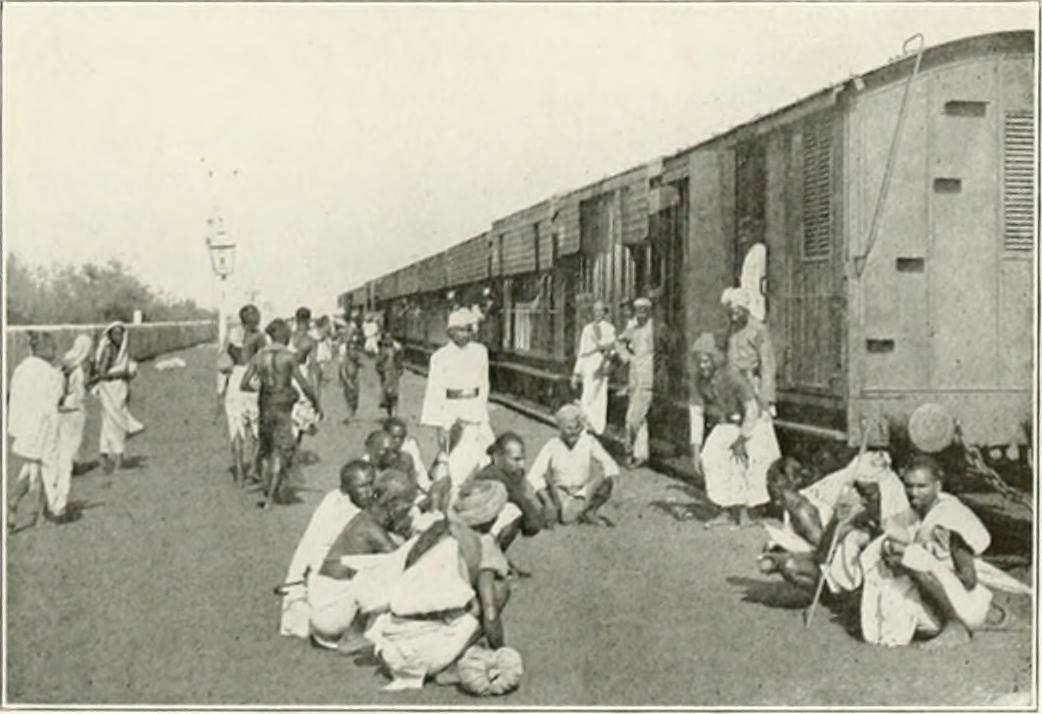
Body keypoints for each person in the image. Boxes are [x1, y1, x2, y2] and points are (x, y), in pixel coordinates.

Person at [863, 456, 1029, 649]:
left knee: (912, 557)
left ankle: (956, 627)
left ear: (938, 486)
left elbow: (969, 579)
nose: (913, 493)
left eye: (921, 486)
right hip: (941, 599)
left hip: (962, 602)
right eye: (908, 486)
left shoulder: (949, 516)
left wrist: (921, 563)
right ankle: (985, 620)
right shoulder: (915, 513)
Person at [365, 479, 512, 691]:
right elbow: (490, 614)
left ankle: (432, 656)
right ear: (492, 516)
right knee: (497, 590)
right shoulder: (482, 544)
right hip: (420, 655)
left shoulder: (436, 529)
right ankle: (449, 666)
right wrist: (501, 654)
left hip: (390, 649)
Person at [309, 469, 419, 650]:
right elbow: (404, 562)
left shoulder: (365, 518)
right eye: (405, 507)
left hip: (323, 612)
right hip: (331, 617)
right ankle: (356, 634)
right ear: (391, 504)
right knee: (398, 573)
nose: (408, 512)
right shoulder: (370, 529)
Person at [688, 332, 780, 529]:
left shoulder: (732, 375)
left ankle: (745, 515)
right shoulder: (698, 380)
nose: (703, 366)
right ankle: (724, 510)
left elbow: (752, 409)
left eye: (706, 361)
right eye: (699, 362)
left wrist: (741, 440)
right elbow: (696, 413)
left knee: (742, 462)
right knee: (710, 457)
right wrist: (695, 450)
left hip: (754, 422)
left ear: (714, 359)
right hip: (729, 422)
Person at [279, 460, 377, 638]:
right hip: (331, 590)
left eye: (371, 483)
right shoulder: (341, 509)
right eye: (362, 486)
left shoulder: (340, 500)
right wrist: (293, 587)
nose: (369, 491)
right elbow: (307, 545)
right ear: (346, 489)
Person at [241, 318, 322, 509]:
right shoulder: (288, 357)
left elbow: (244, 384)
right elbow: (303, 384)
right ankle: (271, 497)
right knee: (281, 449)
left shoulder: (259, 356)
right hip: (283, 407)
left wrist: (261, 389)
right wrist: (316, 403)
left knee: (267, 445)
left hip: (265, 405)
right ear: (283, 336)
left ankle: (263, 478)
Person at [420, 308, 494, 496]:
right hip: (452, 411)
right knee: (454, 457)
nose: (466, 334)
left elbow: (484, 384)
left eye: (469, 329)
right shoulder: (440, 357)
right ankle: (453, 494)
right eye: (461, 330)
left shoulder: (480, 352)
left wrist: (482, 410)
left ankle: (476, 494)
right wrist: (440, 425)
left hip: (475, 410)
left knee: (483, 454)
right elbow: (434, 392)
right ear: (450, 332)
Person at [526, 404, 619, 527]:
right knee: (565, 516)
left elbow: (610, 464)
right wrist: (548, 501)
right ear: (560, 428)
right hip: (560, 492)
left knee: (606, 481)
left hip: (584, 491)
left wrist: (592, 486)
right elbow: (534, 475)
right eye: (569, 429)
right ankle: (571, 511)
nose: (573, 433)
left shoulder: (588, 441)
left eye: (577, 428)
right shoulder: (552, 446)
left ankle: (589, 511)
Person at [7, 332, 65, 530]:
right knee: (47, 466)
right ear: (44, 349)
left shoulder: (22, 368)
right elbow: (56, 400)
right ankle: (48, 511)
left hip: (26, 427)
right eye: (53, 348)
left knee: (33, 466)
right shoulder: (51, 373)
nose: (55, 351)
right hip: (45, 426)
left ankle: (18, 502)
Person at [47, 334, 94, 521]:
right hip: (74, 411)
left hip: (59, 411)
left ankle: (53, 497)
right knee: (67, 454)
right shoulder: (81, 365)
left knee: (57, 453)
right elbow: (81, 388)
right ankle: (59, 504)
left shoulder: (65, 360)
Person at [472, 433, 544, 552]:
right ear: (498, 457)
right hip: (478, 530)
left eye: (522, 459)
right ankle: (492, 552)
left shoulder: (514, 476)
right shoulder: (490, 476)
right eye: (516, 459)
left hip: (487, 526)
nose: (522, 464)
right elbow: (531, 518)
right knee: (516, 511)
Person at [93, 321, 145, 473]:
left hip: (119, 390)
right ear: (110, 335)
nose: (119, 336)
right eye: (115, 333)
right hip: (110, 390)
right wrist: (121, 373)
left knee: (113, 422)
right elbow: (102, 374)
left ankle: (108, 457)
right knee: (115, 422)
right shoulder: (108, 350)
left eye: (121, 333)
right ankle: (115, 460)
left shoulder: (122, 351)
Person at [225, 305, 266, 484]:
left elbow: (226, 359)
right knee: (257, 428)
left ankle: (239, 473)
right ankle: (254, 468)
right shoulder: (260, 337)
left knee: (236, 428)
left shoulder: (232, 336)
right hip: (252, 379)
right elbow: (263, 361)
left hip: (234, 380)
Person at [721, 287, 777, 418]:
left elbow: (767, 365)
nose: (733, 317)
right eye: (731, 313)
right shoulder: (732, 329)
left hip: (752, 388)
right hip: (734, 392)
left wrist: (767, 398)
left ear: (745, 309)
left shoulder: (758, 329)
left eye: (737, 312)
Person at [615, 297, 654, 468]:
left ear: (648, 312)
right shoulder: (632, 327)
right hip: (634, 376)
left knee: (633, 419)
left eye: (643, 311)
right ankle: (641, 454)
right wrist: (627, 357)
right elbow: (619, 342)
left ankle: (628, 451)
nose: (640, 315)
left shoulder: (653, 328)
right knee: (640, 418)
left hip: (648, 377)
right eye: (638, 311)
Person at [570, 300, 617, 435]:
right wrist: (576, 372)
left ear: (604, 312)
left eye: (601, 311)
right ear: (593, 312)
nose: (598, 313)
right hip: (589, 366)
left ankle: (598, 428)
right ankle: (585, 426)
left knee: (600, 398)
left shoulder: (610, 329)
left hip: (602, 365)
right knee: (587, 396)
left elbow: (611, 351)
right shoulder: (587, 329)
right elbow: (582, 352)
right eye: (596, 311)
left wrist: (605, 366)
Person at [290, 307, 321, 440]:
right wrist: (317, 396)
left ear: (296, 319)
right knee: (303, 417)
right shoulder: (311, 341)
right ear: (308, 320)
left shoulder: (287, 337)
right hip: (301, 377)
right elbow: (313, 368)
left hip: (285, 375)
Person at [384, 417, 431, 494]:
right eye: (393, 437)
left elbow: (418, 472)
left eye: (401, 437)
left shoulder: (409, 448)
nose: (397, 441)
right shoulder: (380, 448)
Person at [376, 330, 405, 418]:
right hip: (386, 374)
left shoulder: (396, 350)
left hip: (394, 373)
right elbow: (378, 363)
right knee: (387, 394)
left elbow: (399, 360)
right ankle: (389, 413)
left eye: (390, 338)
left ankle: (394, 413)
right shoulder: (382, 350)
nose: (388, 341)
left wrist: (400, 369)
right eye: (386, 339)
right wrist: (381, 370)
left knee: (394, 394)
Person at [338, 329, 363, 423]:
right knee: (349, 398)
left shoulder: (354, 361)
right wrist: (347, 381)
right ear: (347, 351)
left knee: (355, 399)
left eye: (355, 350)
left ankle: (353, 413)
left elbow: (357, 368)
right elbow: (343, 371)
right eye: (351, 350)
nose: (354, 352)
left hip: (355, 381)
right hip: (349, 381)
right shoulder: (345, 361)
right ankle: (350, 416)